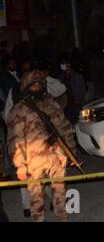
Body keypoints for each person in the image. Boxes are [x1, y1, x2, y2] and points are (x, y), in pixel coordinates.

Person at [7, 70, 75, 222]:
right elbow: (14, 140)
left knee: (60, 192)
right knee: (36, 199)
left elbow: (64, 126)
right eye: (33, 84)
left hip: (57, 155)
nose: (37, 87)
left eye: (40, 84)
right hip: (33, 161)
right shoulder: (19, 110)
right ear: (26, 86)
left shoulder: (51, 103)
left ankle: (62, 219)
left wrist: (71, 151)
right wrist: (20, 166)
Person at [59, 59, 86, 124]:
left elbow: (82, 89)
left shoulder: (77, 76)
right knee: (68, 122)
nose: (63, 65)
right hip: (65, 104)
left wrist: (79, 99)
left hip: (75, 103)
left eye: (65, 63)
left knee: (79, 121)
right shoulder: (60, 77)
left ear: (69, 64)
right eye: (62, 63)